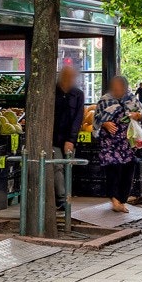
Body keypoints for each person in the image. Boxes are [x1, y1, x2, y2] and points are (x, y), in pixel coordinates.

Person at [90, 75, 142, 213]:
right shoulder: (105, 100)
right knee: (112, 169)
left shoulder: (132, 99)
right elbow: (96, 119)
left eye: (120, 87)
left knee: (127, 170)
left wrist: (137, 116)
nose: (118, 89)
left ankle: (121, 199)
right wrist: (105, 123)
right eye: (115, 87)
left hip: (127, 142)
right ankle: (114, 200)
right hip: (110, 143)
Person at [52, 64, 85, 216]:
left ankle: (66, 198)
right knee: (57, 167)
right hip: (54, 138)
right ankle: (62, 200)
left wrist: (71, 139)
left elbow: (78, 118)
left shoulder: (77, 94)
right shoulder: (53, 91)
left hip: (69, 139)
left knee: (67, 168)